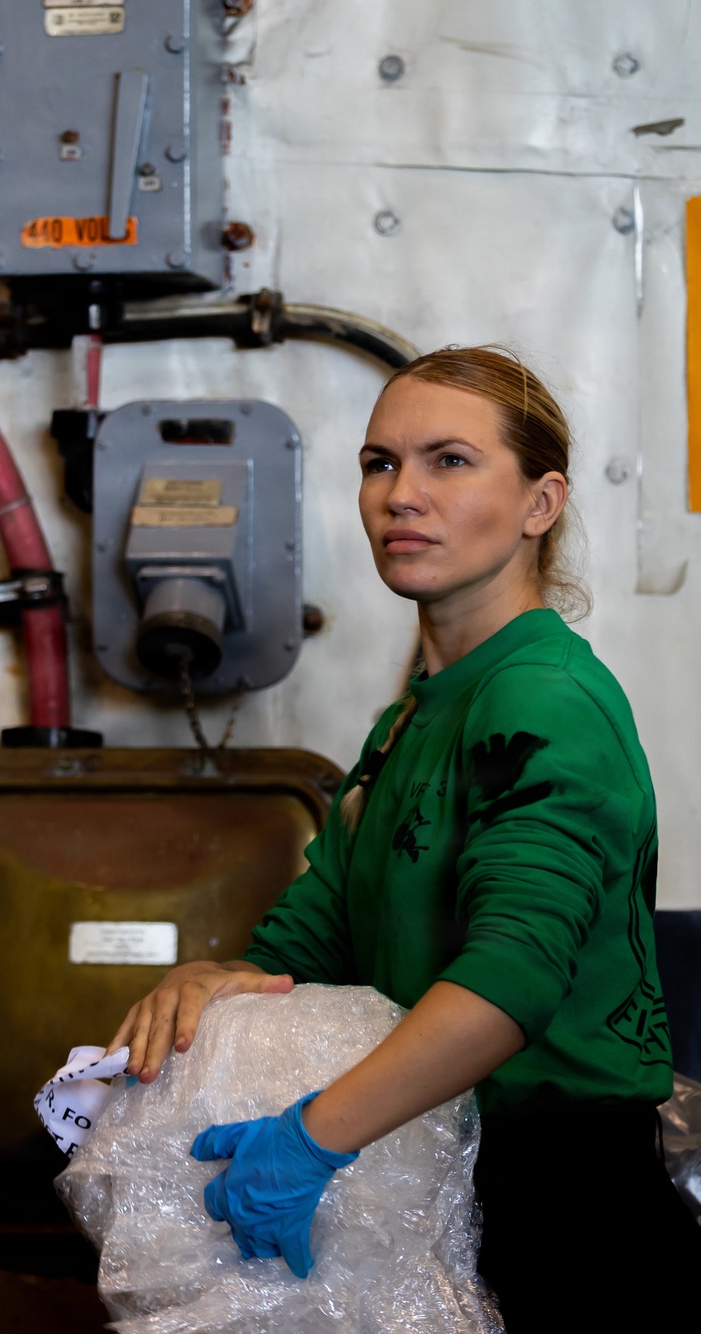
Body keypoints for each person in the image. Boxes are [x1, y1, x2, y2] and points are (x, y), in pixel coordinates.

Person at [107, 347, 701, 1331]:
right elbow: (312, 943)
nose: (399, 495)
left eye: (448, 461)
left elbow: (508, 982)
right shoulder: (407, 724)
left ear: (539, 503)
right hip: (438, 1172)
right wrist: (217, 977)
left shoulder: (540, 699)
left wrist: (311, 1139)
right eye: (378, 463)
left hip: (570, 1207)